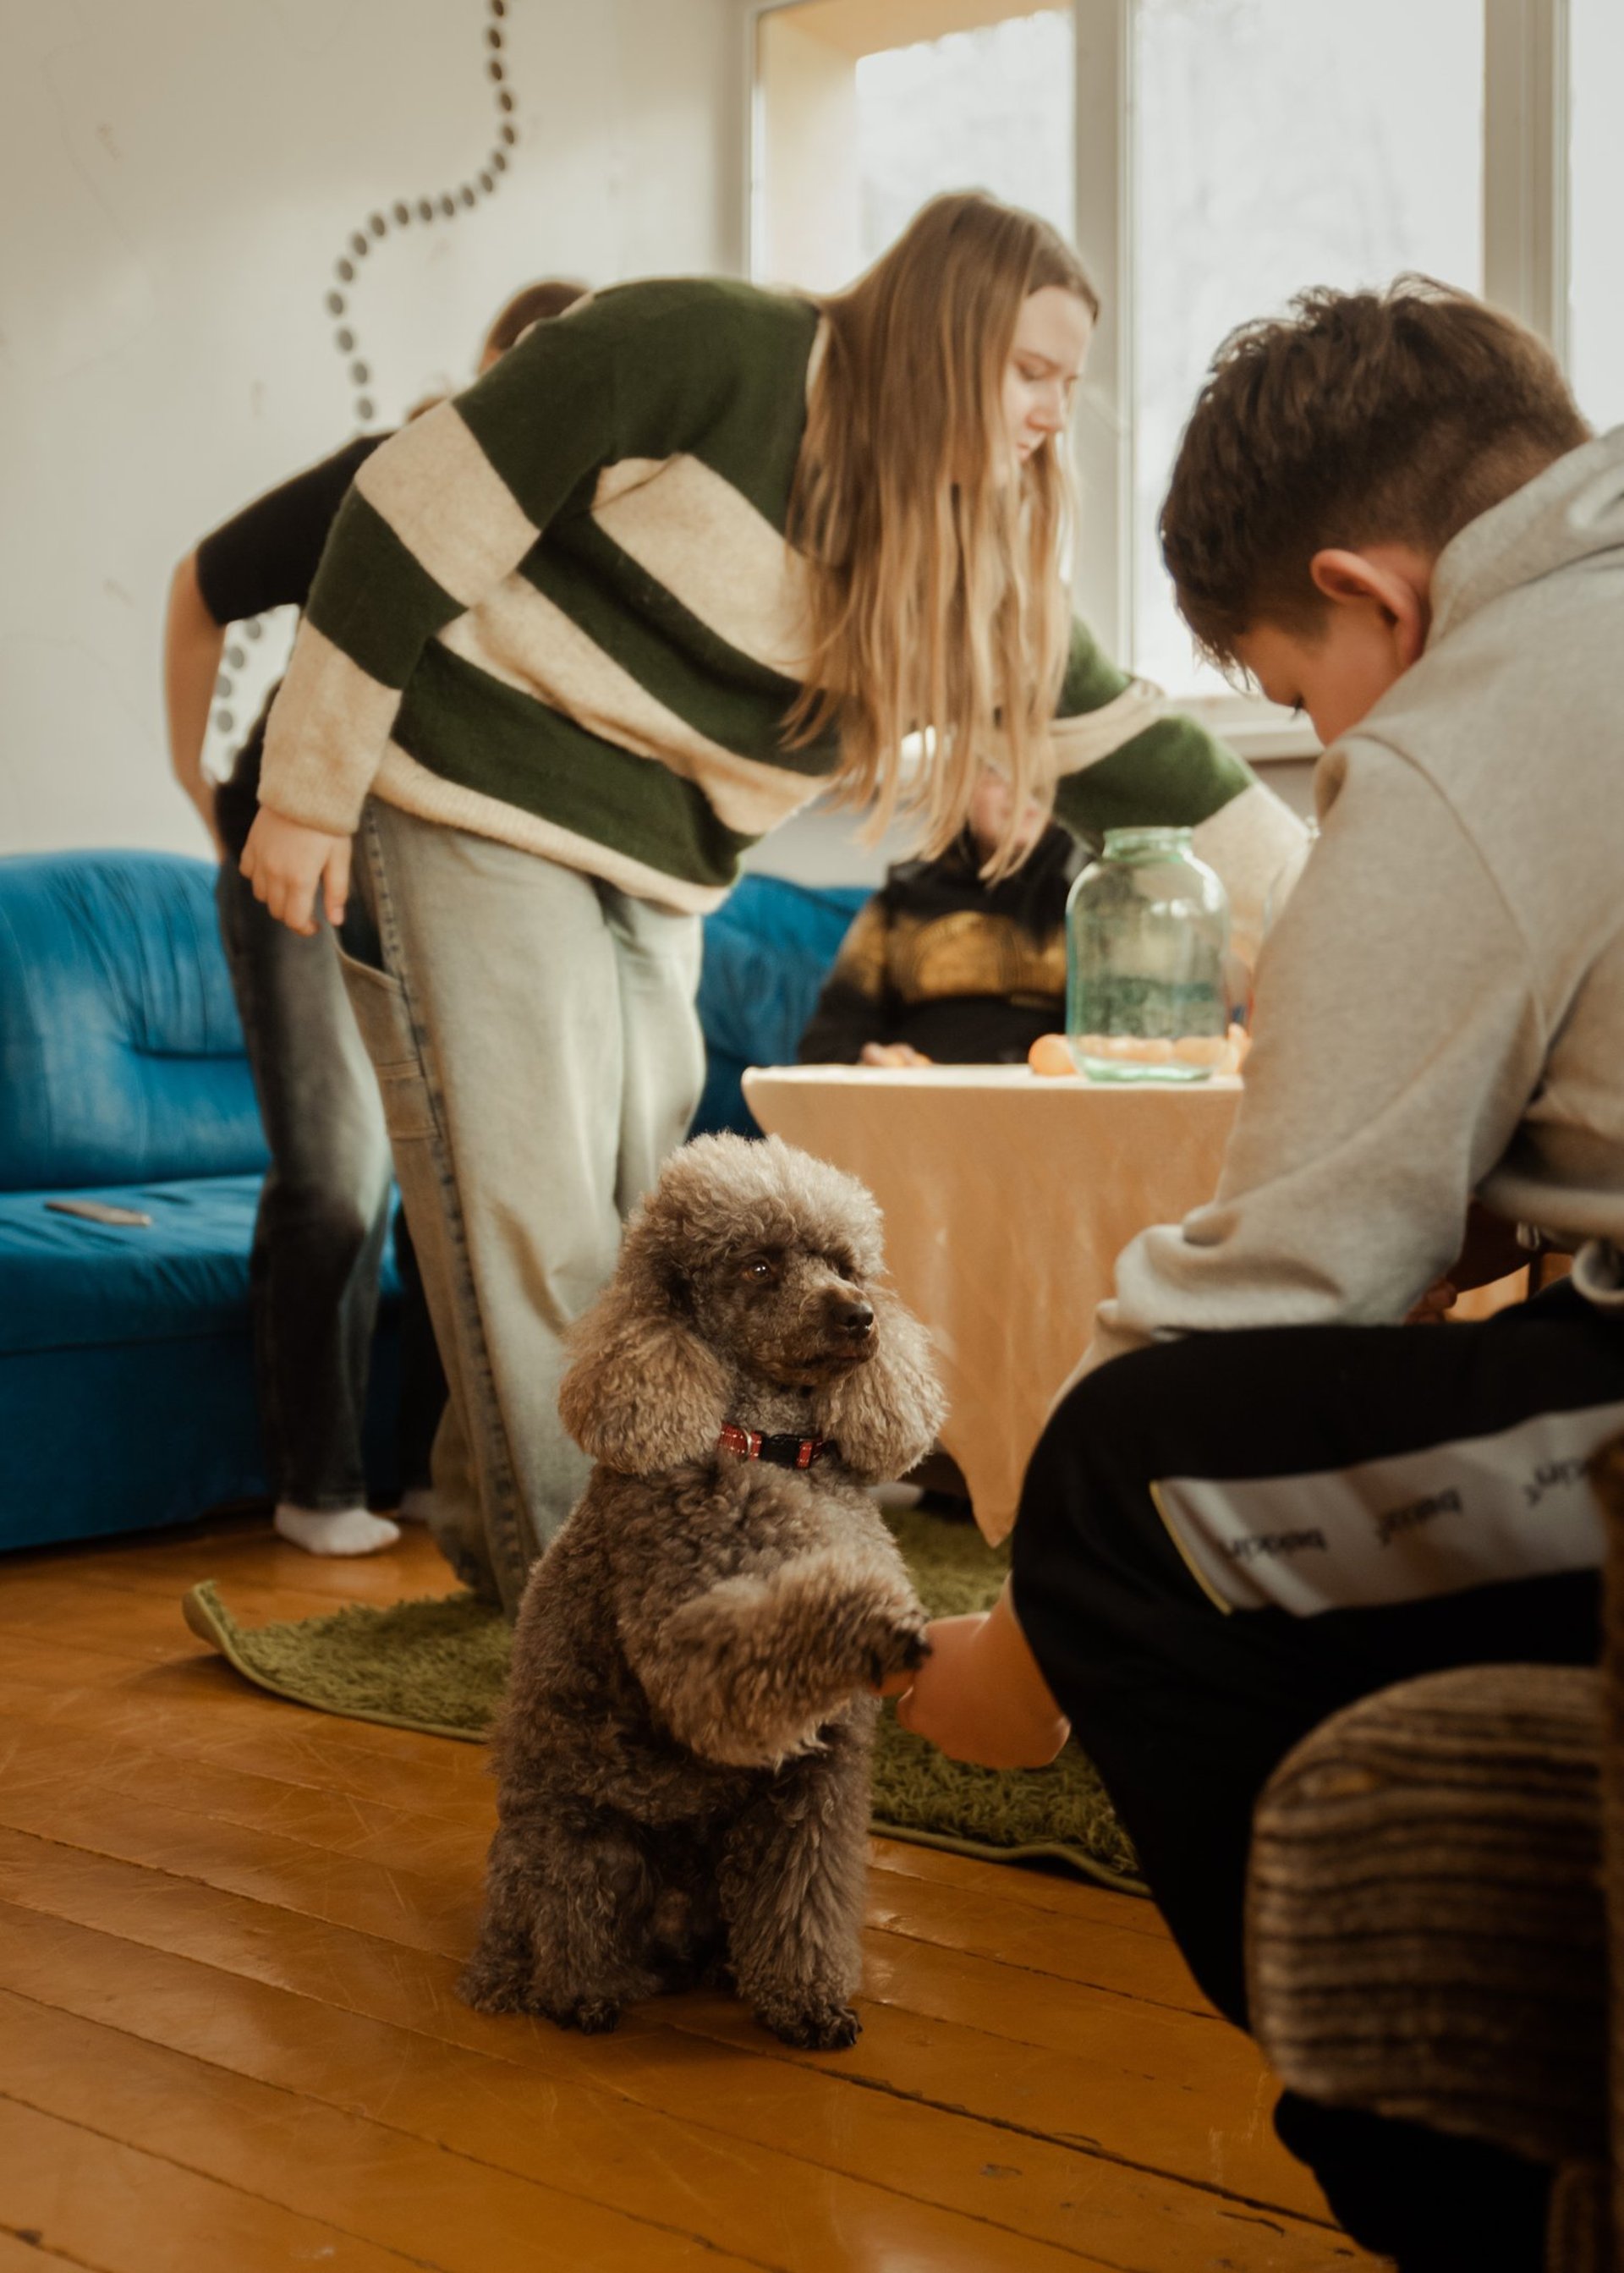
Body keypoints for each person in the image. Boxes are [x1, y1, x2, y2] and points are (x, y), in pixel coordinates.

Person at [238, 190, 1304, 1617]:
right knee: (536, 1214)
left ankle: (519, 1542)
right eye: (1033, 373)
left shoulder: (964, 562)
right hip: (475, 787)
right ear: (945, 337)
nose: (1056, 412)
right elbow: (416, 500)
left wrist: (1327, 926)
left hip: (659, 861)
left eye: (1071, 383)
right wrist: (305, 788)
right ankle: (605, 1602)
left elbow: (1138, 753)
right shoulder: (703, 348)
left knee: (635, 1230)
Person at [892, 277, 1624, 2269]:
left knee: (1127, 1474)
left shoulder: (1484, 712)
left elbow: (1282, 1279)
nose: (1321, 746)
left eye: (1298, 701)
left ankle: (1465, 2174)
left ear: (1369, 596)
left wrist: (1010, 1659)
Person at [163, 278, 585, 1557]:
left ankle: (418, 1468)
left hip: (436, 872)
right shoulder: (385, 475)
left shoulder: (574, 553)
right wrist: (204, 788)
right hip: (303, 855)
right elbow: (201, 586)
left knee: (442, 1182)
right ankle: (318, 1481)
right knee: (337, 1182)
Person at [797, 766, 1081, 1067]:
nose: (1023, 789)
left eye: (1040, 769)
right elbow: (829, 1038)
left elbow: (1118, 1033)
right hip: (917, 1096)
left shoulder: (1093, 894)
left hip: (1047, 1095)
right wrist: (866, 1063)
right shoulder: (903, 898)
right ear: (957, 785)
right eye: (998, 771)